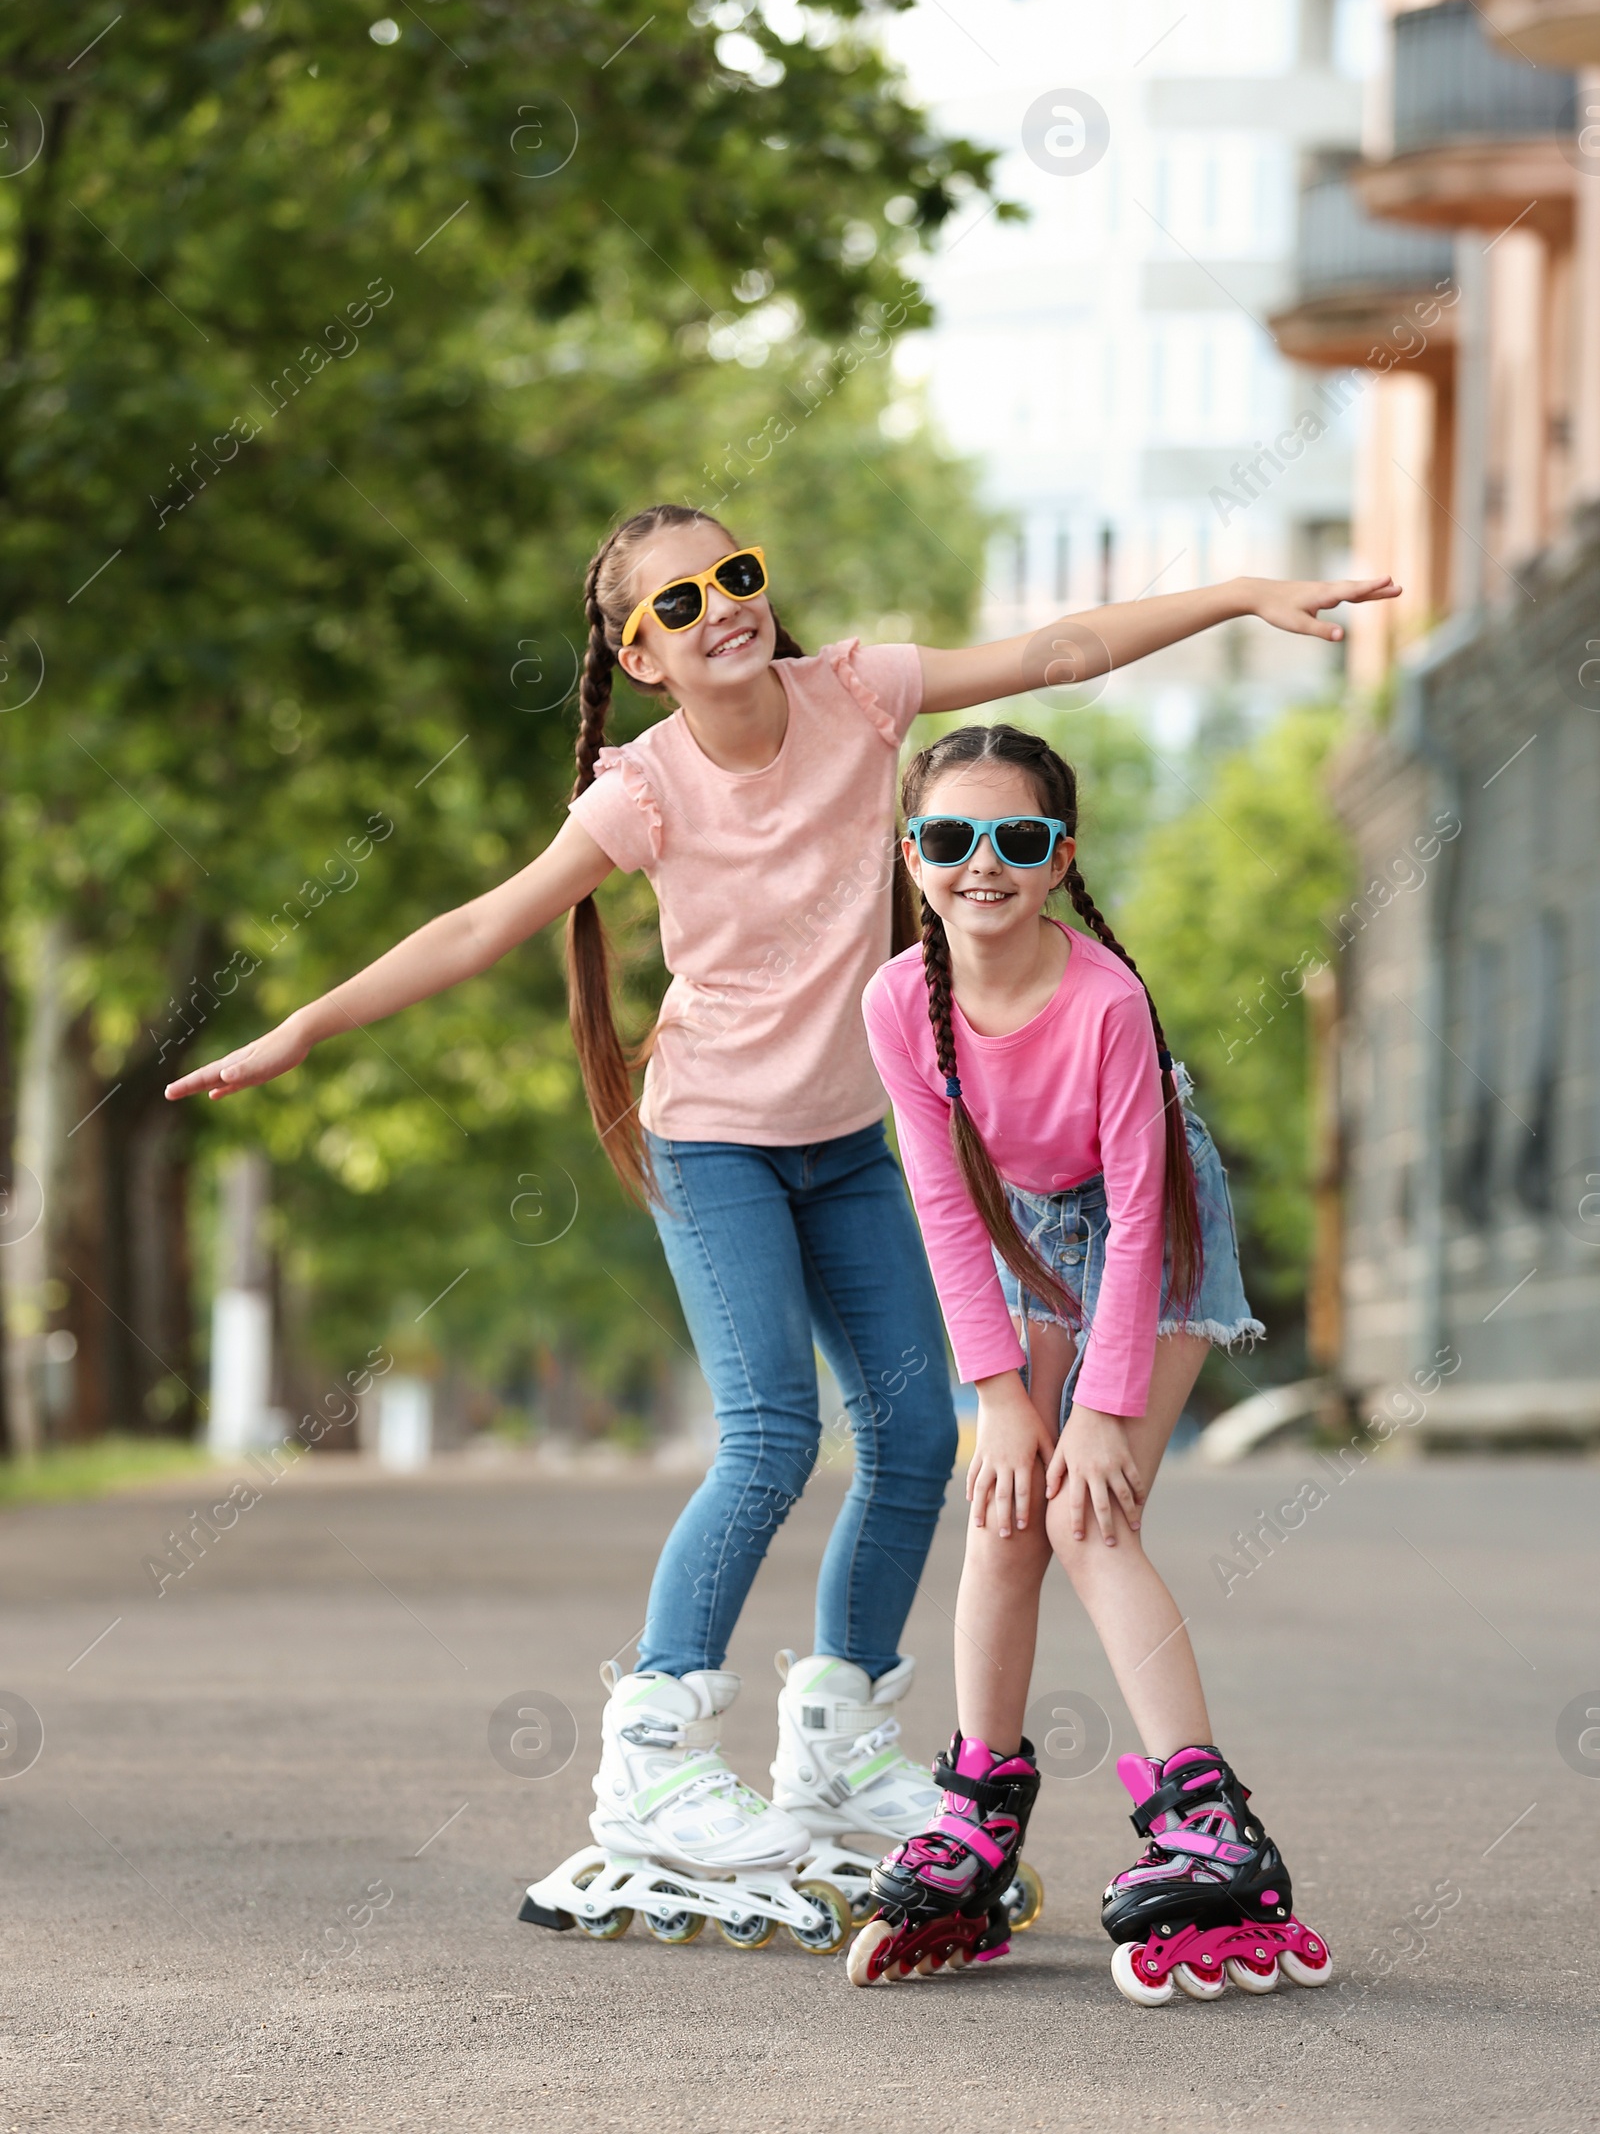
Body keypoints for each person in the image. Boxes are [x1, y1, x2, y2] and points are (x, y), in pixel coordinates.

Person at [167, 509, 1392, 1934]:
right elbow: (482, 924)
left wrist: (1244, 593)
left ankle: (835, 1742)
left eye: (738, 576)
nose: (724, 609)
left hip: (850, 1144)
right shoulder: (647, 791)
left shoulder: (860, 695)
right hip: (715, 1145)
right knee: (770, 1437)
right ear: (640, 655)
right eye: (681, 603)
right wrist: (306, 1028)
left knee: (920, 1433)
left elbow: (1060, 653)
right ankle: (653, 1757)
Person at [848, 722, 1332, 1999]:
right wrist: (1000, 1399)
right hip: (1019, 1235)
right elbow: (947, 1210)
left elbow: (1134, 1204)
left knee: (1086, 1514)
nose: (982, 864)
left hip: (1152, 1226)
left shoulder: (1105, 998)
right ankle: (976, 1819)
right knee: (1004, 1510)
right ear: (913, 857)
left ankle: (1209, 1825)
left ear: (1059, 857)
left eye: (1016, 838)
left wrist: (1104, 1411)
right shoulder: (900, 1002)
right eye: (950, 840)